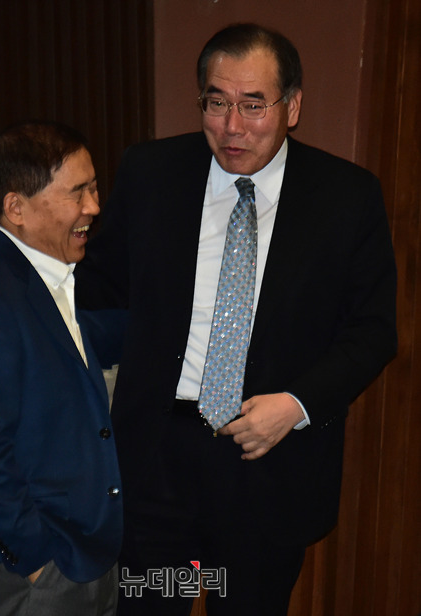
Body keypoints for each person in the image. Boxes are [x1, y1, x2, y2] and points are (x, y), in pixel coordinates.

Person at [75, 23, 397, 616]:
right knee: (150, 604)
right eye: (216, 102)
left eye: (253, 105)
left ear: (292, 107)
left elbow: (373, 330)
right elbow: (97, 289)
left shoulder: (345, 197)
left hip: (267, 464)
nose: (231, 126)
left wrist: (296, 404)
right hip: (158, 461)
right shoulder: (152, 173)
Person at [0, 121, 123, 616]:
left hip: (81, 548)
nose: (93, 207)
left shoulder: (40, 272)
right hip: (37, 569)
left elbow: (70, 342)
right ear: (16, 207)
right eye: (77, 193)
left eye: (94, 187)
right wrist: (37, 559)